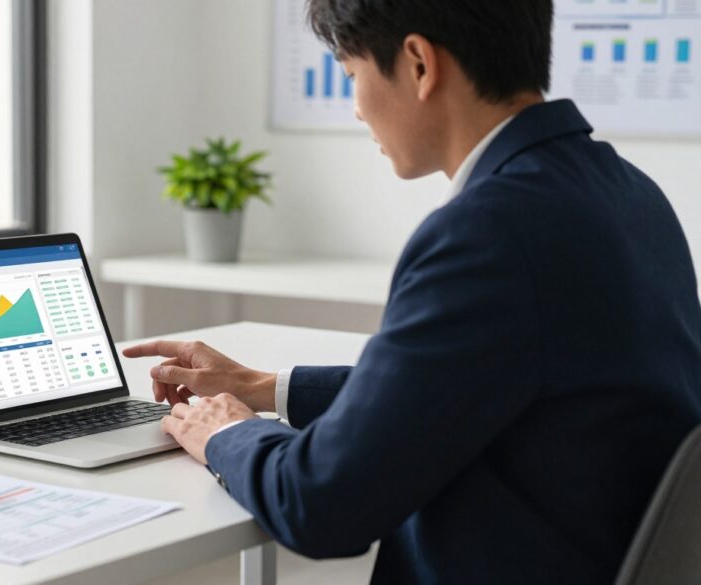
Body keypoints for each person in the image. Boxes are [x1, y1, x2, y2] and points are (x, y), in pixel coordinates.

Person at [122, 0, 701, 583]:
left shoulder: (486, 233)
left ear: (420, 64)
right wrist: (261, 387)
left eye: (352, 74)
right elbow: (464, 385)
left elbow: (321, 504)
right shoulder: (629, 193)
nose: (356, 108)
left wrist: (226, 431)